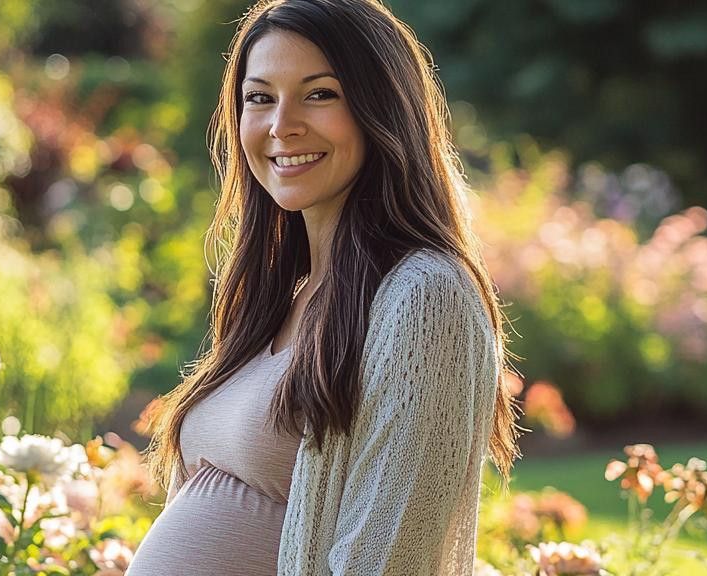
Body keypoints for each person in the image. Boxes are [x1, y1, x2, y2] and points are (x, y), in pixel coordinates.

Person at [127, 0, 522, 574]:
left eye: (319, 94)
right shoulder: (283, 296)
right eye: (259, 97)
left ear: (380, 110)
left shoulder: (424, 298)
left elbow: (391, 558)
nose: (281, 124)